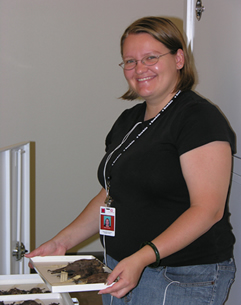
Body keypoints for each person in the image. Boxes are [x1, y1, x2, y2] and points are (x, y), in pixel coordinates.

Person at [25, 16, 236, 304]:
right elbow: (111, 194)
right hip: (122, 267)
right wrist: (62, 242)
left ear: (178, 59)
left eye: (151, 57)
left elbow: (207, 210)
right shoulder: (129, 120)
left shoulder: (198, 119)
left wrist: (141, 257)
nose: (140, 69)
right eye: (130, 61)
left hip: (178, 277)